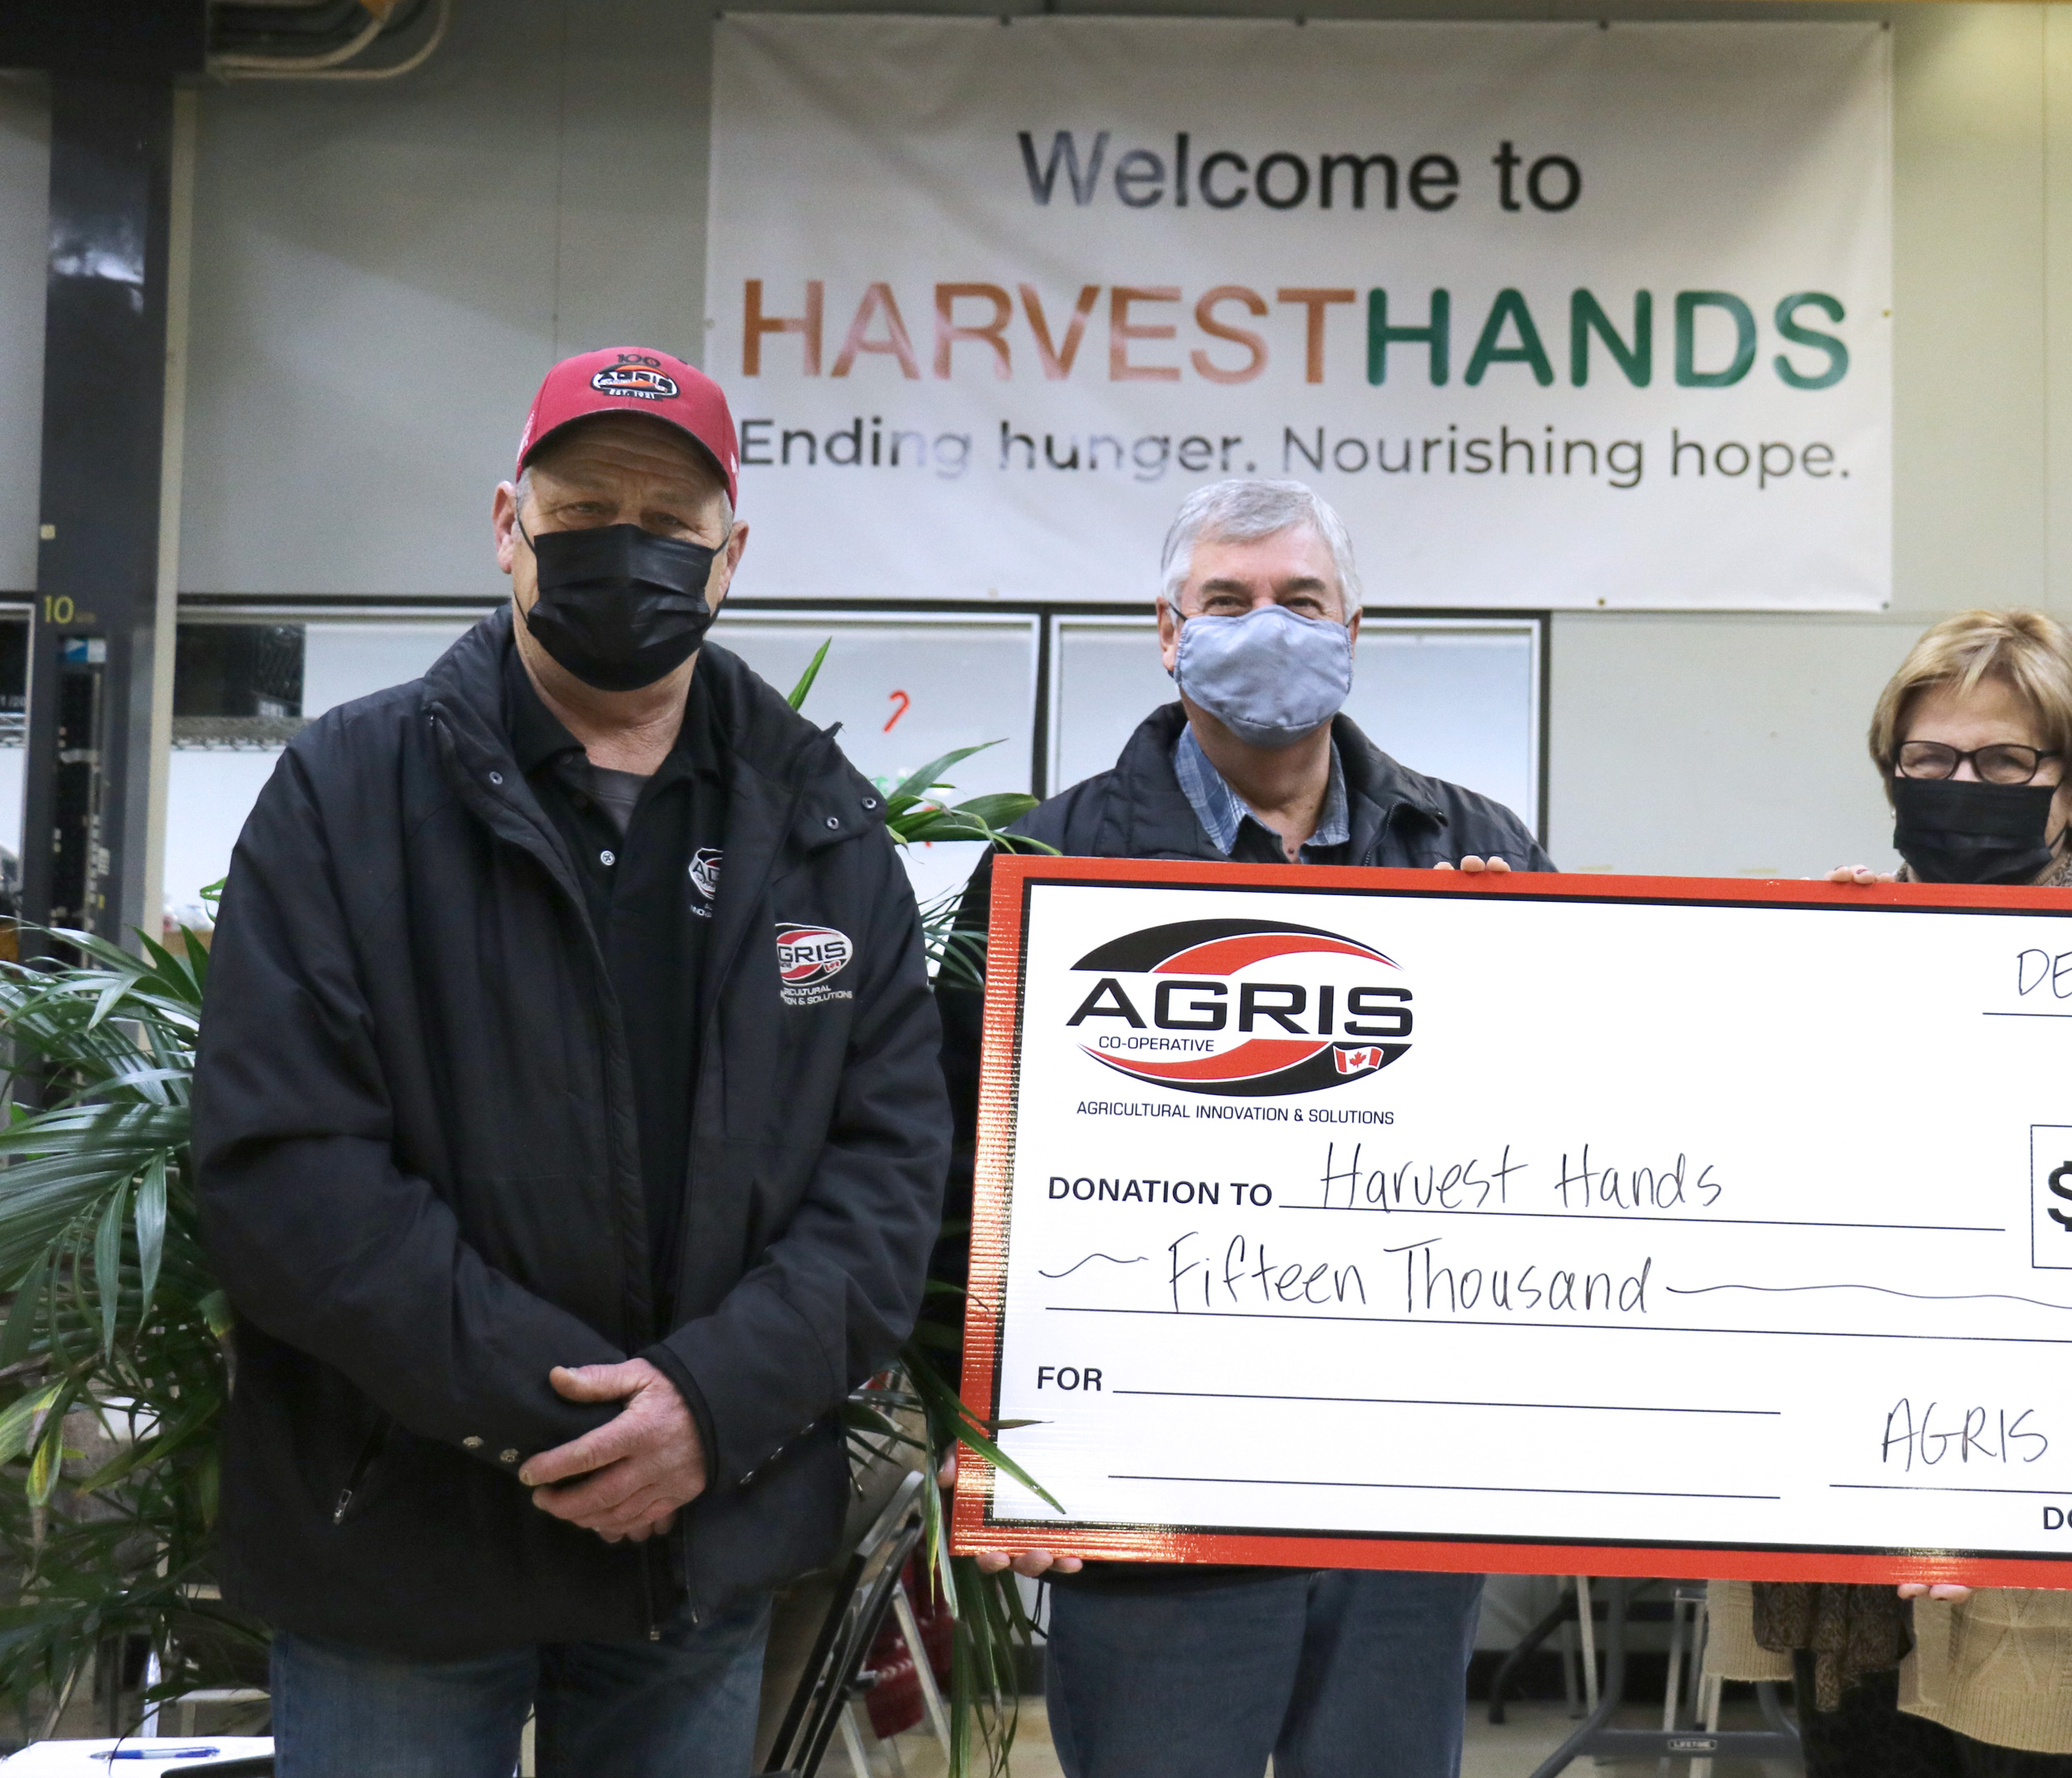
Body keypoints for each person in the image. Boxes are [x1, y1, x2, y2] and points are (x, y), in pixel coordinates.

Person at [192, 348, 952, 1776]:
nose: (628, 545)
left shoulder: (822, 824)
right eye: (586, 503)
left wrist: (707, 1410)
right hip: (402, 1541)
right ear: (507, 523)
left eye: (669, 522)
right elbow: (284, 1176)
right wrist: (591, 1422)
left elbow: (886, 1172)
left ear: (731, 557)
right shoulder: (345, 796)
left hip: (695, 1552)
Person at [938, 476, 1551, 1778]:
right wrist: (997, 1437)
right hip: (1153, 1504)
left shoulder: (1474, 851)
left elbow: (1559, 1138)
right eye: (1229, 600)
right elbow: (944, 1165)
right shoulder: (1044, 869)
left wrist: (1522, 974)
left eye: (1299, 600)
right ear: (1169, 631)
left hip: (1400, 1505)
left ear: (1353, 627)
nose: (1266, 626)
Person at [1711, 610, 2072, 1777]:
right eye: (1929, 762)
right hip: (1851, 1529)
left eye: (2002, 764)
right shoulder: (1811, 955)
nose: (1960, 787)